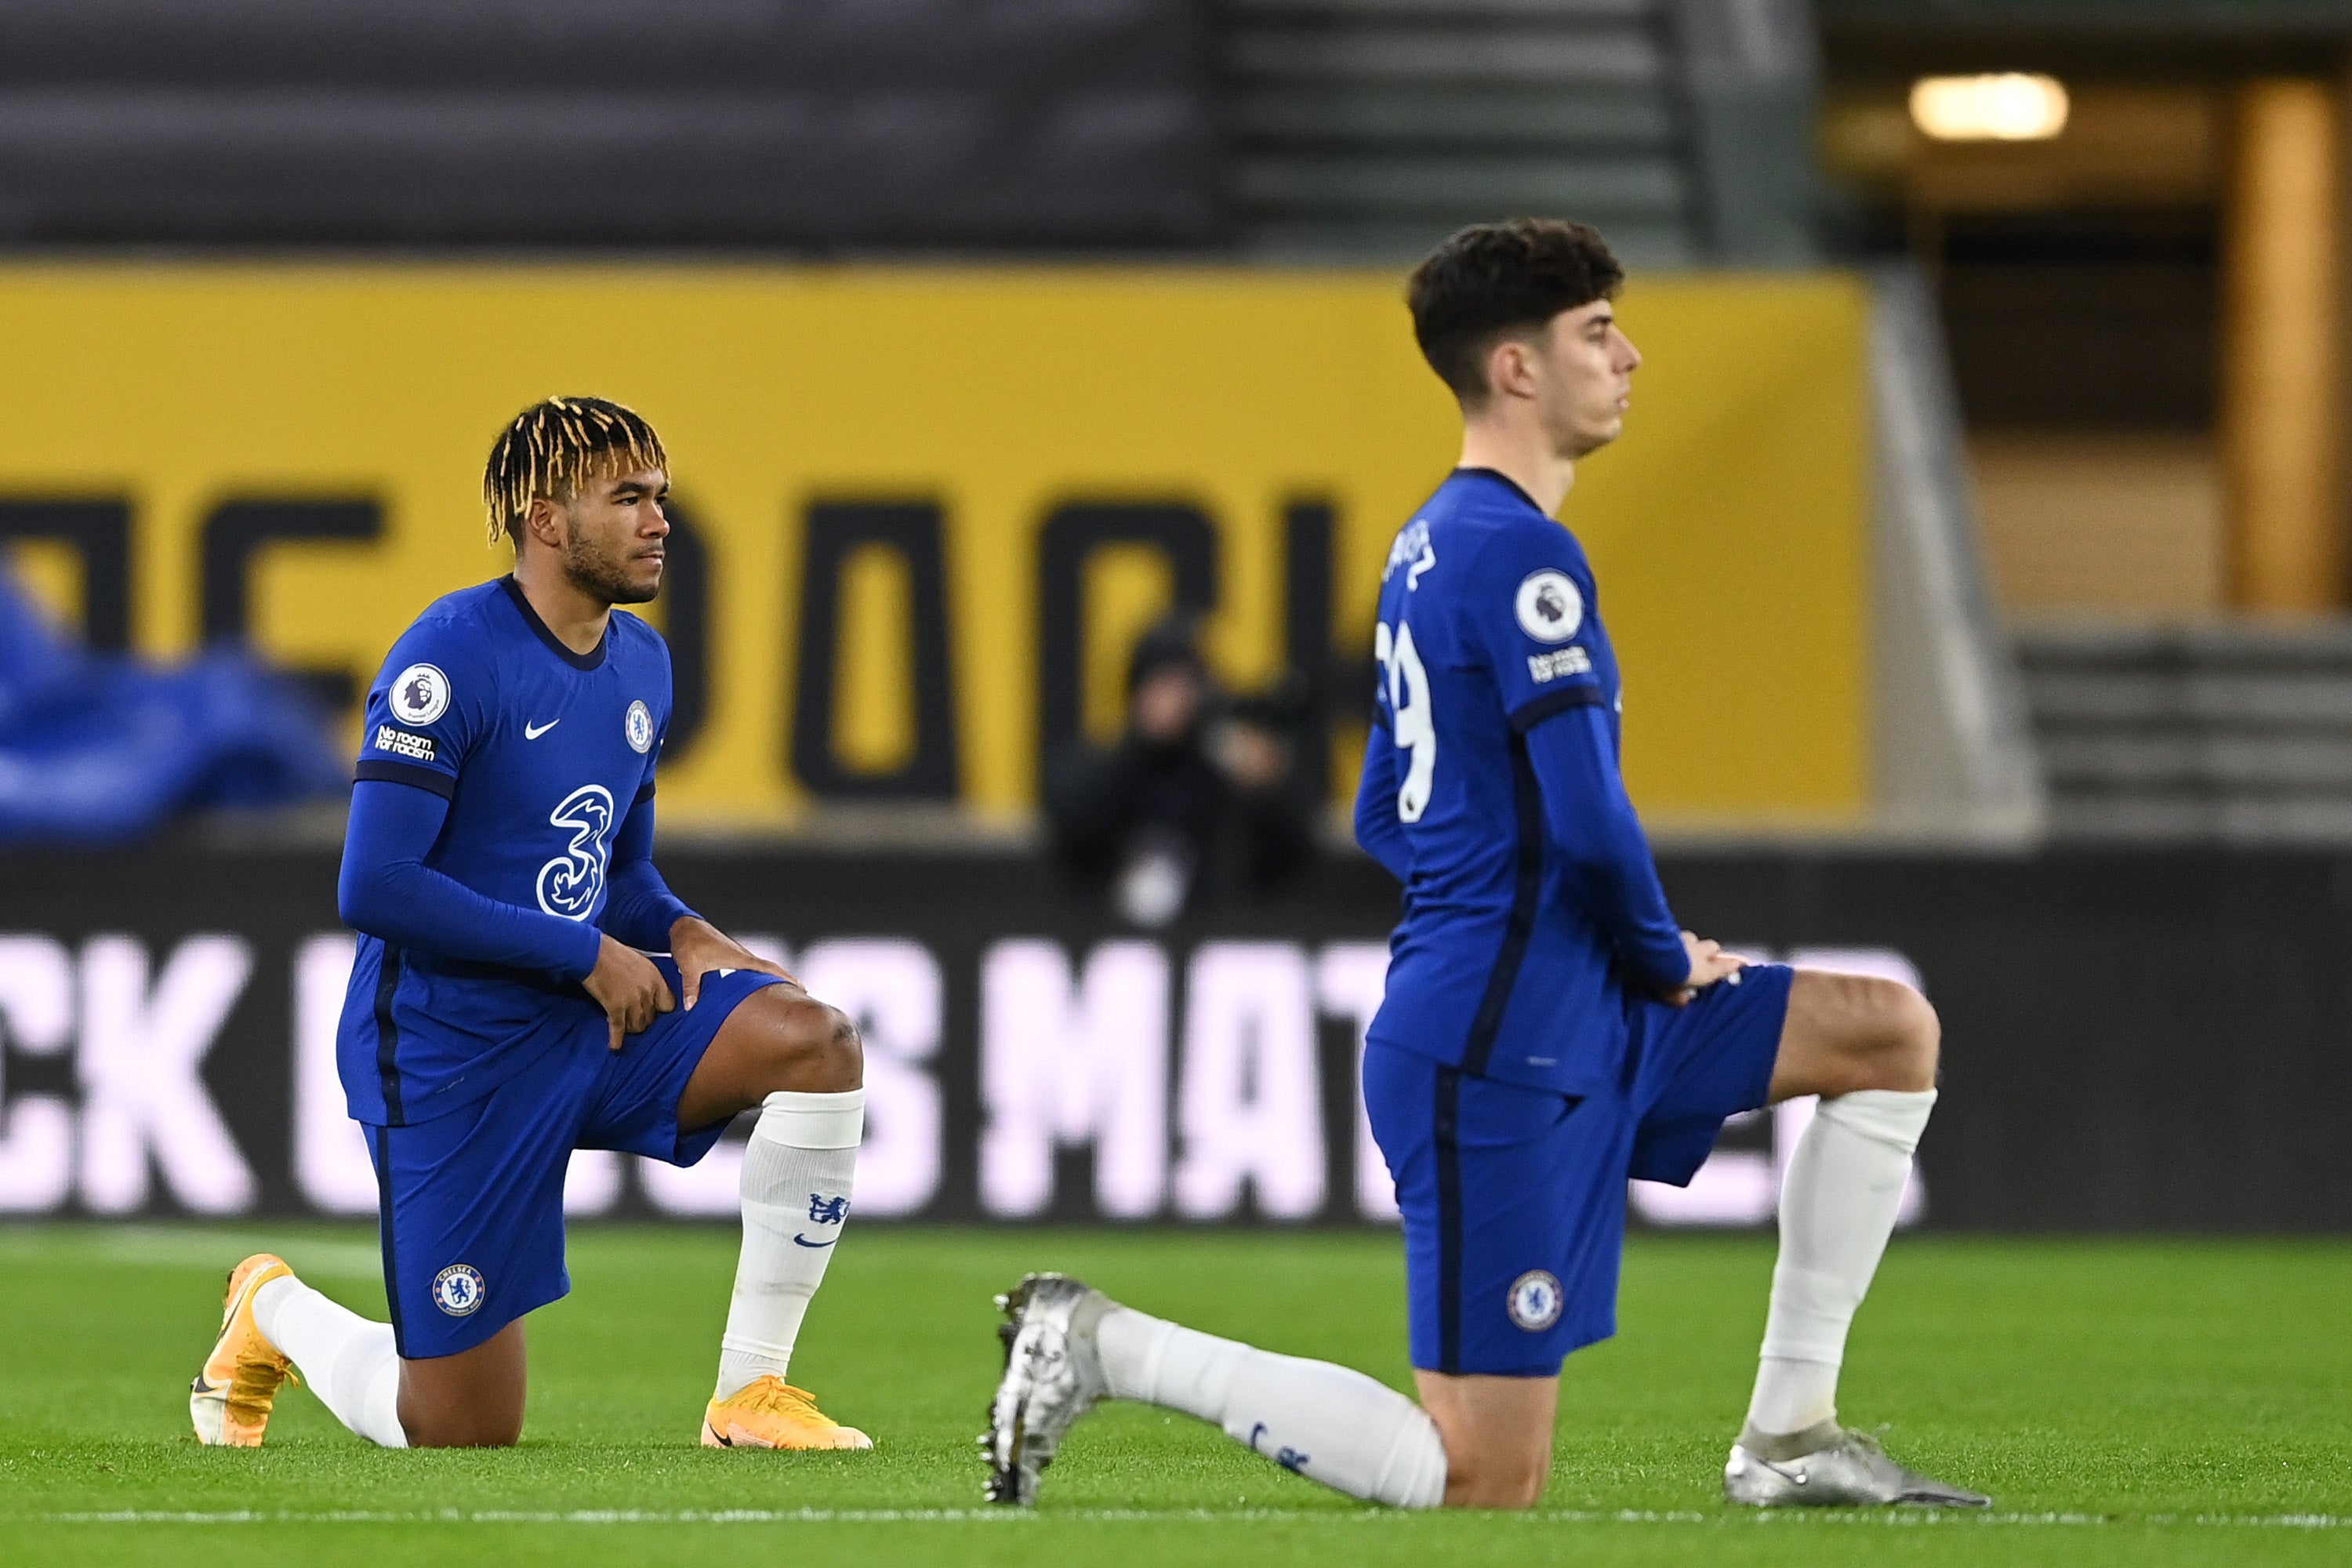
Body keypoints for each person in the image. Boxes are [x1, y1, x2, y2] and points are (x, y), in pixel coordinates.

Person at [982, 220, 1988, 1511]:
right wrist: (1656, 951)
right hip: (1501, 1044)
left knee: (1885, 1033)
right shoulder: (1518, 555)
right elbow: (1588, 815)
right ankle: (1106, 1344)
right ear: (1516, 368)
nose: (1630, 355)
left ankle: (1791, 1436)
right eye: (1596, 332)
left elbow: (1382, 812)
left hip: (1563, 1000)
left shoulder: (1431, 544)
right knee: (1479, 1481)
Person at [189, 396, 871, 1452]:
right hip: (448, 1048)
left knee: (814, 1042)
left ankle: (752, 1395)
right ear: (546, 519)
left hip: (583, 1024)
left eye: (662, 498)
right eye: (630, 499)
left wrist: (679, 929)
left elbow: (619, 869)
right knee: (458, 1430)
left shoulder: (641, 665)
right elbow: (376, 884)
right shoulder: (450, 657)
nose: (660, 522)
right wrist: (584, 951)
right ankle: (270, 1309)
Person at [1041, 615, 1317, 927]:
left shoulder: (1218, 774)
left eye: (1184, 685)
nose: (1173, 699)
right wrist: (1142, 744)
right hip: (1109, 944)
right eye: (1162, 684)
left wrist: (1263, 791)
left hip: (1209, 944)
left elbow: (1288, 860)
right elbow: (1071, 821)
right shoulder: (1104, 770)